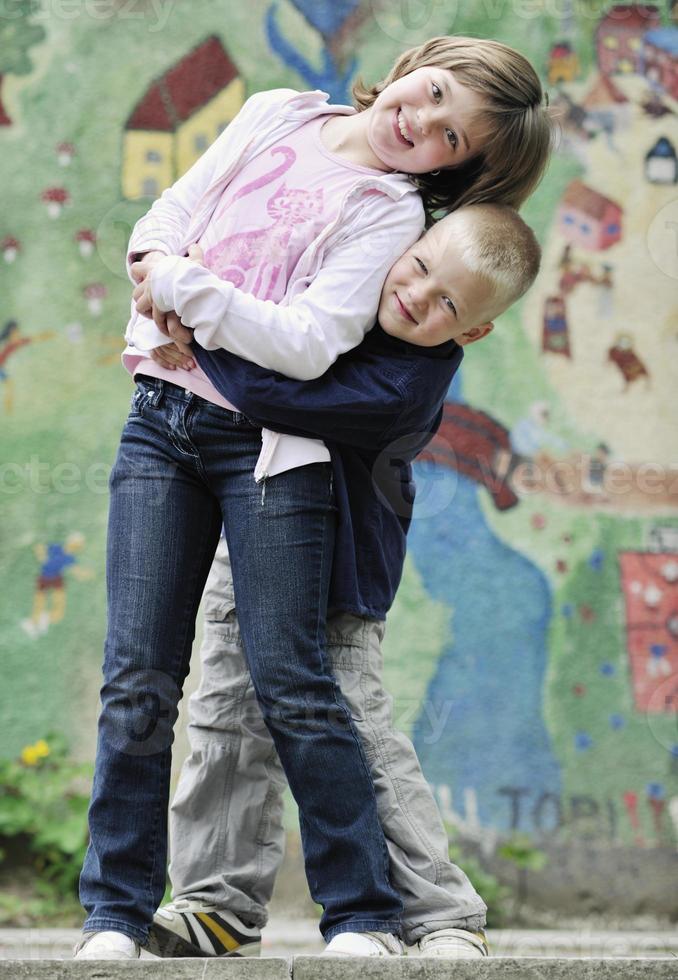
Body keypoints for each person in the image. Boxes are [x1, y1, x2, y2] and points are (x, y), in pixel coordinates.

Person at [75, 35, 552, 961]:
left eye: (449, 136)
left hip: (302, 502)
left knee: (318, 694)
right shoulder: (286, 120)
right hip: (184, 450)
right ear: (419, 60)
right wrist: (162, 280)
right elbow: (174, 217)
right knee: (183, 688)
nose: (420, 123)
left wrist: (187, 306)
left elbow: (286, 367)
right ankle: (174, 907)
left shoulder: (392, 240)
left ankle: (408, 912)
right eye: (433, 95)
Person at [143, 205, 541, 960]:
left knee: (352, 723)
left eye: (448, 304)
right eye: (421, 267)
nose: (419, 296)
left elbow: (275, 396)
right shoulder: (347, 293)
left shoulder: (407, 377)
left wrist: (201, 339)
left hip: (339, 568)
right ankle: (214, 904)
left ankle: (441, 911)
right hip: (252, 532)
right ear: (407, 247)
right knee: (224, 708)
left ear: (472, 331)